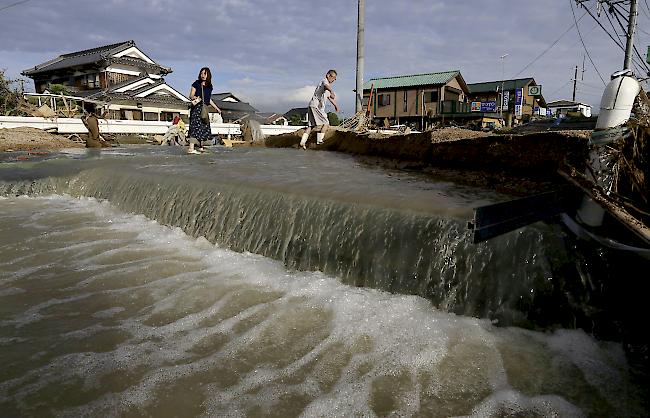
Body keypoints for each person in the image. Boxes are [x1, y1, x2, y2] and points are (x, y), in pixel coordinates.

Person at [300, 70, 340, 149]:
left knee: (311, 125)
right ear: (328, 75)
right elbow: (326, 86)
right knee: (326, 123)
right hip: (316, 106)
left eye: (335, 79)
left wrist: (336, 105)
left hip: (312, 105)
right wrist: (331, 90)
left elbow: (329, 98)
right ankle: (319, 141)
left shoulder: (326, 86)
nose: (334, 80)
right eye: (333, 77)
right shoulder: (324, 81)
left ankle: (302, 142)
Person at [188, 67, 221, 154]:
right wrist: (195, 97)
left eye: (205, 74)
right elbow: (191, 95)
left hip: (204, 109)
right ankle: (191, 148)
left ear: (208, 75)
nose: (203, 75)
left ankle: (201, 147)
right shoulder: (196, 83)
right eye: (201, 73)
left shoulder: (210, 86)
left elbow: (208, 99)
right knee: (195, 126)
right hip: (196, 108)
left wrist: (216, 108)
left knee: (204, 127)